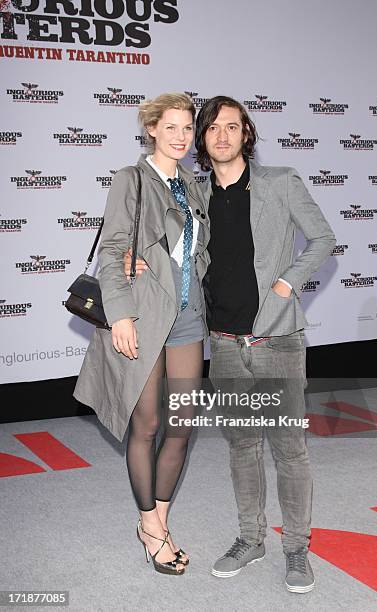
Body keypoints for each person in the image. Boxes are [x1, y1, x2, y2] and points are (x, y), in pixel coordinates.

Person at [126, 95, 336, 592]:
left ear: (247, 134)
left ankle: (297, 548)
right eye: (212, 128)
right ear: (200, 139)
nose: (222, 136)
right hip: (220, 341)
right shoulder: (191, 195)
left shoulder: (281, 182)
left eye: (233, 127)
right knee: (242, 445)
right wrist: (135, 261)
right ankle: (250, 539)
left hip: (276, 339)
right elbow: (168, 254)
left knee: (289, 449)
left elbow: (323, 239)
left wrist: (287, 283)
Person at [74, 93, 210, 576]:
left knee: (181, 426)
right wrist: (123, 315)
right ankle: (150, 527)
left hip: (189, 316)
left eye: (187, 129)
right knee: (147, 425)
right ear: (151, 129)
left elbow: (199, 250)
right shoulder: (130, 180)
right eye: (170, 127)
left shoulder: (194, 184)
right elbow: (112, 251)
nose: (180, 136)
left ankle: (162, 519)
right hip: (146, 316)